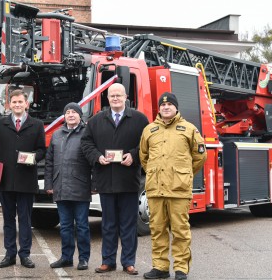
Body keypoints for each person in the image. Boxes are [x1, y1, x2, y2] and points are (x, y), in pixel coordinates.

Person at [81, 83, 149, 276]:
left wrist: (134, 156)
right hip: (106, 181)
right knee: (108, 224)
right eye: (112, 96)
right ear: (107, 98)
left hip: (128, 181)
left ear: (126, 96)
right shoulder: (96, 121)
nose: (116, 98)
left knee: (129, 224)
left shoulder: (139, 119)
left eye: (119, 95)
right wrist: (96, 157)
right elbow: (86, 143)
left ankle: (128, 262)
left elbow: (147, 144)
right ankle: (107, 261)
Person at [139, 92, 207, 280]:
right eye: (162, 105)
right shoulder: (149, 130)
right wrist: (156, 173)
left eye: (170, 104)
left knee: (180, 231)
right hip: (155, 189)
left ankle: (181, 269)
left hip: (178, 190)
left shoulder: (188, 129)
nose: (166, 107)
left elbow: (200, 156)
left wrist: (184, 174)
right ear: (159, 108)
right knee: (157, 229)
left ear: (176, 108)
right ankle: (160, 267)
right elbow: (143, 157)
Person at [0, 89, 46, 269]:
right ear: (9, 104)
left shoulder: (36, 125)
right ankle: (10, 254)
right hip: (5, 181)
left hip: (26, 181)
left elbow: (42, 150)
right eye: (14, 102)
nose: (17, 105)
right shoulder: (1, 124)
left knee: (25, 220)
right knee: (8, 220)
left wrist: (33, 157)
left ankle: (25, 254)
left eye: (20, 102)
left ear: (26, 104)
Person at [44, 103, 92, 270]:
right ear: (64, 116)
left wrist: (93, 184)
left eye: (74, 112)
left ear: (80, 116)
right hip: (61, 187)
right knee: (64, 226)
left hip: (80, 187)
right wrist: (49, 184)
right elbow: (49, 162)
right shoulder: (57, 135)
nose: (71, 115)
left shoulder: (87, 134)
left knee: (82, 226)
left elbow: (93, 160)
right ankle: (66, 257)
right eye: (68, 112)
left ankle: (84, 258)